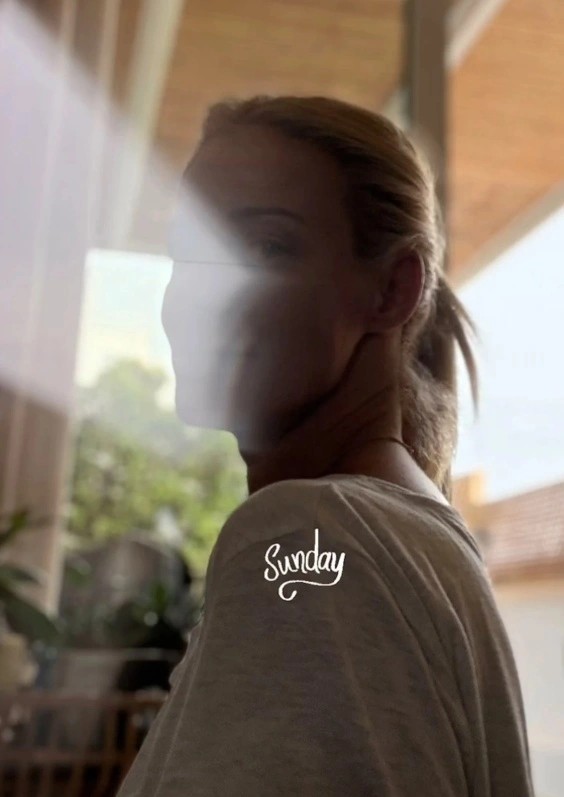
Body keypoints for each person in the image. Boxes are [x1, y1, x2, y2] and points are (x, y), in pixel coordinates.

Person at [116, 96, 535, 796]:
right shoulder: (409, 542)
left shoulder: (309, 539)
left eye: (264, 248)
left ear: (392, 290)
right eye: (188, 254)